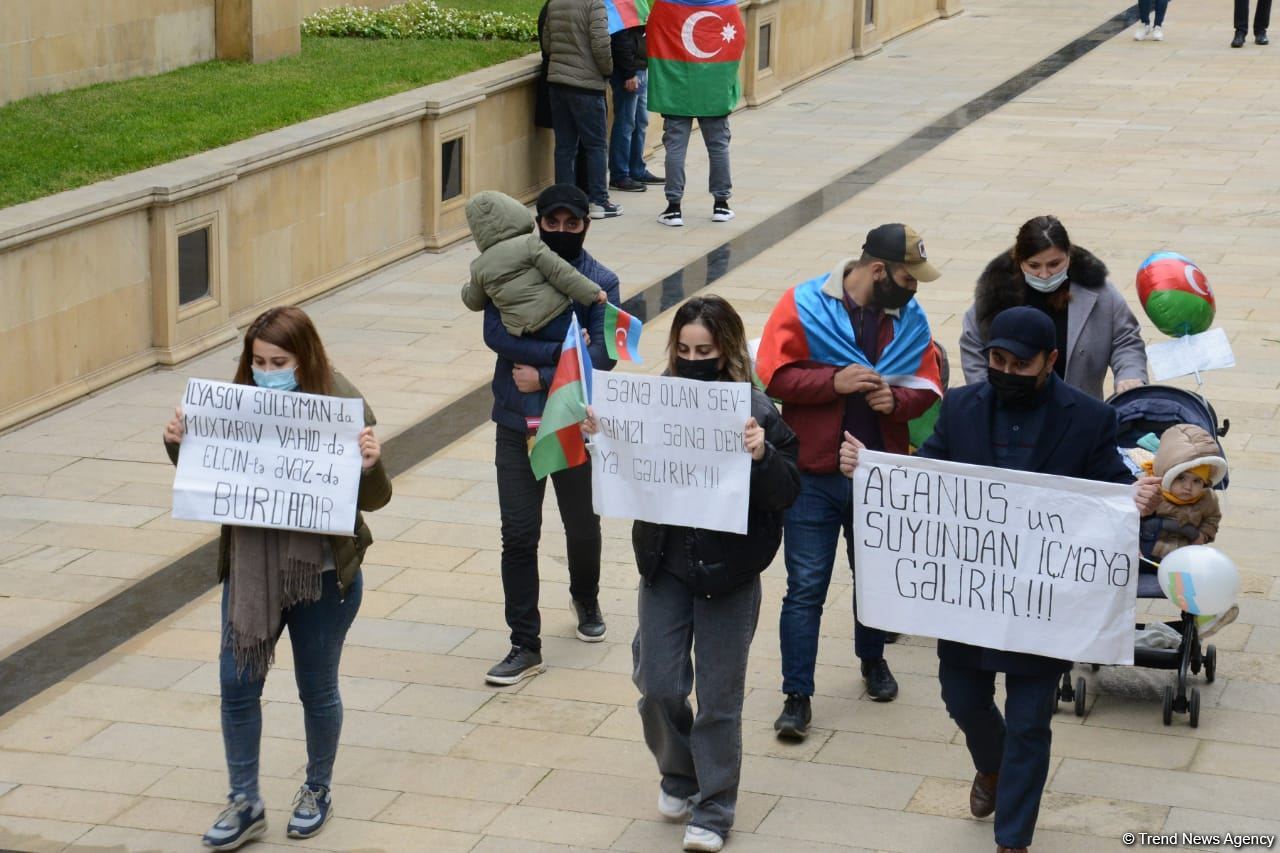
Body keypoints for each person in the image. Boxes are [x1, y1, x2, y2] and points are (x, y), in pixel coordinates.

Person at [840, 306, 1162, 853]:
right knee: (961, 697)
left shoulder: (1088, 418)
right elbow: (930, 478)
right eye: (997, 361)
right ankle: (993, 765)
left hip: (1044, 602)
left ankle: (1013, 839)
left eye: (1020, 364)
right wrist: (872, 472)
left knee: (1031, 721)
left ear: (1050, 360)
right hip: (972, 597)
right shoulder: (961, 406)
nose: (1006, 371)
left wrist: (1137, 500)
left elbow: (1108, 491)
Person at [162, 306, 392, 850]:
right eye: (259, 361)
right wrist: (178, 442)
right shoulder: (236, 402)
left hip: (323, 577)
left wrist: (369, 465)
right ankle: (245, 801)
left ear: (304, 358)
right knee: (237, 685)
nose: (266, 371)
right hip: (251, 573)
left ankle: (317, 788)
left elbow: (375, 499)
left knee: (317, 688)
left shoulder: (340, 402)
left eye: (279, 362)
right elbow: (209, 477)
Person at [584, 295, 800, 853]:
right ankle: (680, 774)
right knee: (658, 685)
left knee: (719, 700)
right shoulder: (652, 402)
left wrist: (763, 456)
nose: (692, 359)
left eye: (704, 351)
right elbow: (629, 466)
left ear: (725, 350)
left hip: (730, 576)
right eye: (683, 349)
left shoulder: (756, 410)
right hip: (665, 567)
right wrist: (602, 436)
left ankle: (715, 807)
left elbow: (787, 491)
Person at [756, 224, 944, 740]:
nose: (914, 289)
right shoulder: (802, 305)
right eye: (908, 278)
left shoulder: (911, 319)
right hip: (813, 473)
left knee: (876, 579)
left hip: (877, 473)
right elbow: (772, 374)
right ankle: (797, 695)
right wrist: (833, 381)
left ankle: (873, 659)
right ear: (878, 271)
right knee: (805, 587)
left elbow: (927, 385)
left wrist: (896, 401)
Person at [482, 183, 620, 686]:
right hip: (515, 422)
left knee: (581, 526)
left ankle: (586, 596)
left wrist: (542, 375)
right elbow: (496, 336)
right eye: (551, 222)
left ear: (585, 225)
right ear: (537, 223)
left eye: (571, 223)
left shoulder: (601, 281)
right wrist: (560, 353)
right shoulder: (507, 269)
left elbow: (602, 355)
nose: (561, 231)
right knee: (518, 534)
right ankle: (524, 643)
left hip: (572, 424)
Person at [960, 215, 1148, 401]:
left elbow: (1125, 340)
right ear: (1019, 261)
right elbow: (973, 346)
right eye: (1034, 266)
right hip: (1010, 411)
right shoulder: (995, 294)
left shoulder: (1101, 293)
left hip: (1079, 410)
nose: (1044, 275)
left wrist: (1130, 375)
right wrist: (987, 399)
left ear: (1069, 256)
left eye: (1054, 264)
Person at [646, 0, 745, 227]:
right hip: (713, 86)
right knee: (718, 146)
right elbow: (738, 40)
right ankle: (721, 204)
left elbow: (653, 34)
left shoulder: (665, 5)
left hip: (677, 85)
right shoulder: (726, 4)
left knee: (675, 148)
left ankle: (673, 208)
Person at [542, 0, 621, 219]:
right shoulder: (594, 4)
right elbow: (601, 45)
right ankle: (599, 201)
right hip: (587, 85)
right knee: (596, 145)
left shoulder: (554, 3)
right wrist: (608, 71)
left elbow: (547, 42)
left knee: (565, 147)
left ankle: (564, 201)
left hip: (558, 82)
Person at [608, 21, 664, 193]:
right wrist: (629, 73)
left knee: (640, 121)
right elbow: (619, 39)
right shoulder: (620, 11)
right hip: (628, 71)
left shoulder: (635, 9)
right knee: (626, 123)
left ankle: (636, 170)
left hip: (640, 66)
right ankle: (619, 175)